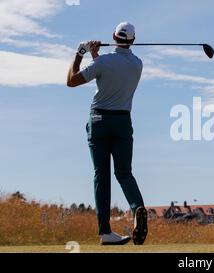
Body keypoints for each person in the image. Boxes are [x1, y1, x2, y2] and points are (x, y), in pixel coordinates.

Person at [66, 22, 147, 245]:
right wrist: (96, 56)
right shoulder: (137, 65)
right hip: (122, 122)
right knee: (124, 173)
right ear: (132, 40)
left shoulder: (103, 62)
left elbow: (71, 81)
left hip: (99, 120)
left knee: (101, 175)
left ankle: (105, 232)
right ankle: (137, 208)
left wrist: (80, 54)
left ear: (113, 36)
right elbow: (111, 70)